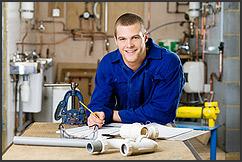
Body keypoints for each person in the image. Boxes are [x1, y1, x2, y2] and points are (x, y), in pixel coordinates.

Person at [87, 13, 185, 128]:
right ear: (116, 40)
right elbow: (98, 103)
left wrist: (112, 114)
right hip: (120, 127)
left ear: (145, 37)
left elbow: (162, 113)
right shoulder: (108, 63)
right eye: (122, 39)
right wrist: (97, 115)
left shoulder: (168, 62)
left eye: (135, 38)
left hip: (159, 127)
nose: (129, 45)